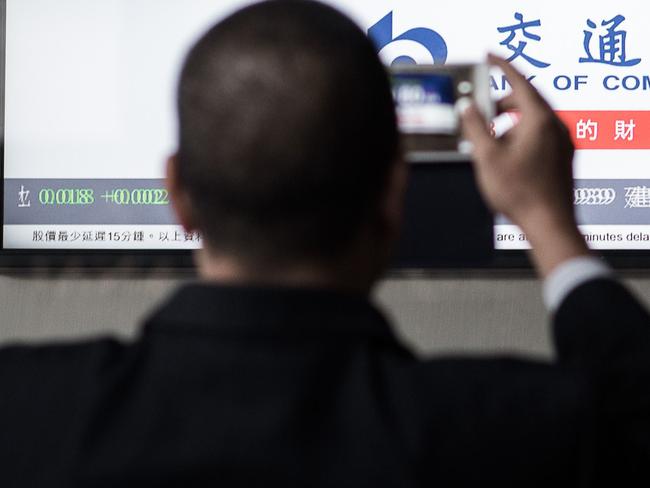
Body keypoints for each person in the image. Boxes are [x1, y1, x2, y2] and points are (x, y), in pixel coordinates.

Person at [1, 1, 649, 486]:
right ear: (394, 199)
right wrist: (549, 224)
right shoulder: (507, 430)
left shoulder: (29, 410)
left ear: (177, 193)